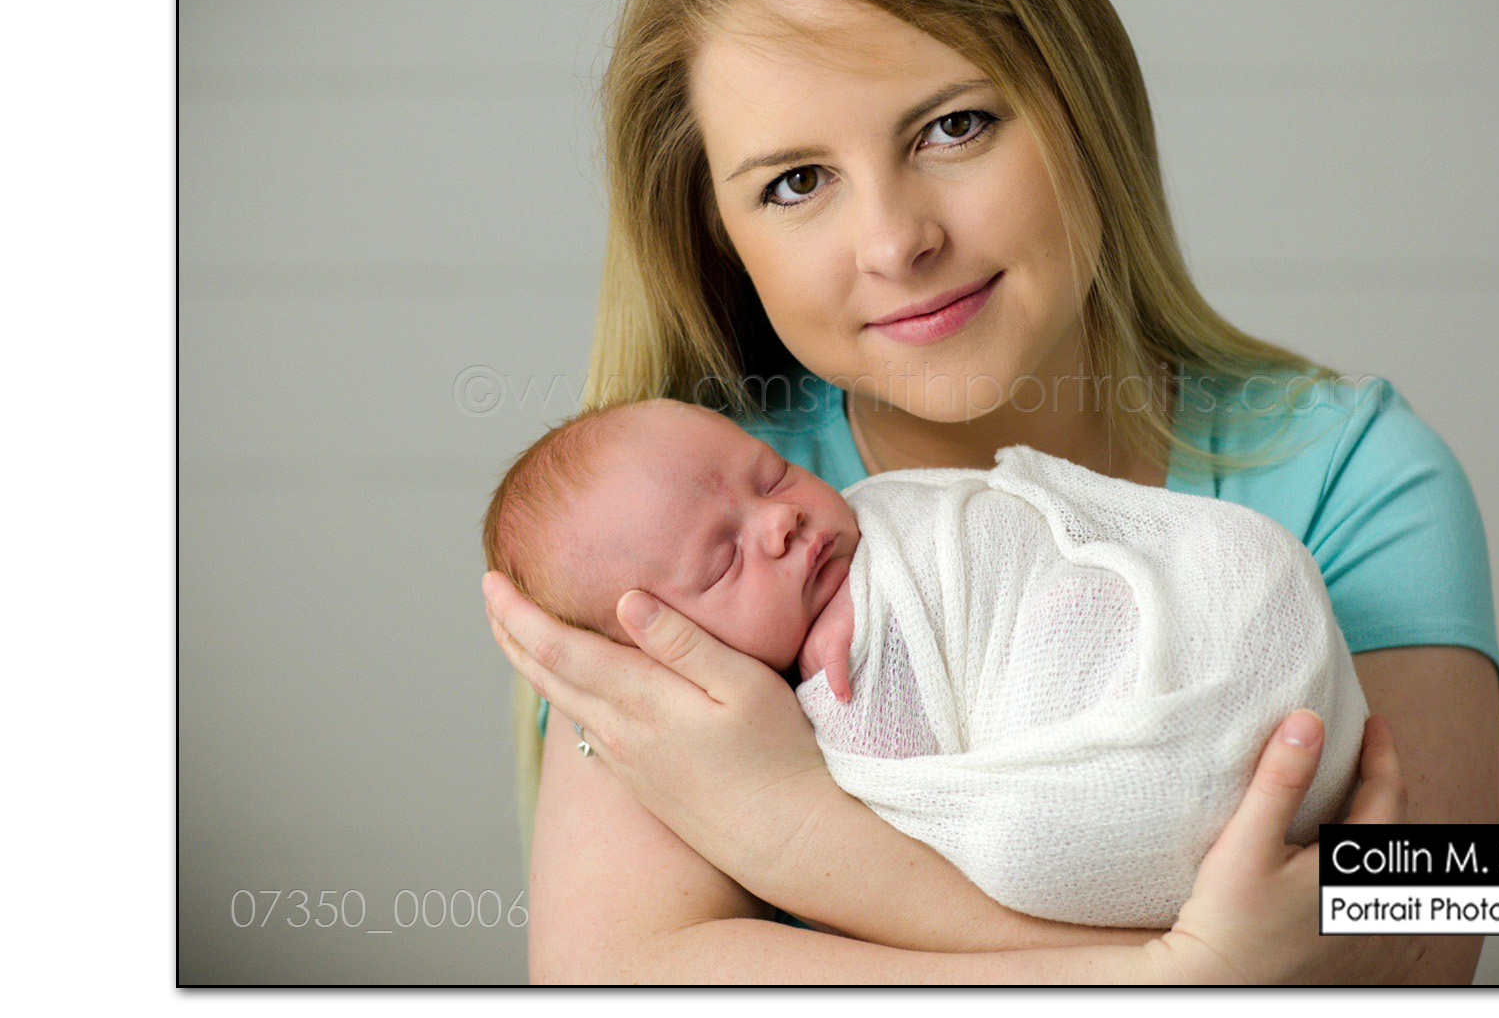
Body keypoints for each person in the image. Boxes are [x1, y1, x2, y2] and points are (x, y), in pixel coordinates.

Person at [482, 0, 1499, 983]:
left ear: (1083, 98)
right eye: (797, 181)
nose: (896, 240)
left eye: (953, 125)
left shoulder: (1357, 471)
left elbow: (1466, 925)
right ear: (716, 229)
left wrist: (792, 829)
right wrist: (1176, 976)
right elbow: (606, 979)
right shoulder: (678, 539)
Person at [481, 396, 1368, 928]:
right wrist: (1199, 976)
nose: (781, 520)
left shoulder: (1349, 456)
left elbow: (1442, 895)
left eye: (775, 476)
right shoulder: (642, 671)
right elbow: (623, 985)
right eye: (797, 183)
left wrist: (1352, 915)